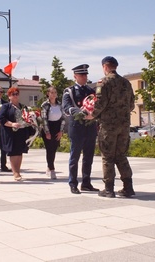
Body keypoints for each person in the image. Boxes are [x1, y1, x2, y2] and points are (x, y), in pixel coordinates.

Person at [90, 56, 135, 198]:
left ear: (105, 67)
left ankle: (109, 189)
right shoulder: (126, 83)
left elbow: (100, 104)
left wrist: (91, 115)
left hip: (109, 126)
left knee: (107, 157)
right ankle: (128, 187)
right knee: (121, 155)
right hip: (124, 126)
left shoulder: (103, 83)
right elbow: (132, 105)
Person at [62, 64, 98, 194]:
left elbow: (96, 105)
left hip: (90, 127)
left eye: (86, 75)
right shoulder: (69, 91)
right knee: (75, 156)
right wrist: (82, 113)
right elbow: (66, 107)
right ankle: (73, 183)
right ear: (75, 76)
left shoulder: (90, 90)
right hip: (77, 127)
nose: (84, 77)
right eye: (82, 75)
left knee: (88, 156)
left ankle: (86, 183)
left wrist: (93, 115)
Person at [0, 87, 31, 181]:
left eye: (17, 94)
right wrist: (12, 124)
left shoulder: (23, 107)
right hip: (10, 133)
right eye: (13, 94)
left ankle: (18, 171)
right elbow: (1, 119)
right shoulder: (6, 106)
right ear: (9, 96)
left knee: (19, 151)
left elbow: (27, 118)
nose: (15, 96)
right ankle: (15, 172)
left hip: (21, 132)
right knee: (13, 152)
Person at [41, 87, 65, 179]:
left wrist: (61, 131)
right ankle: (52, 169)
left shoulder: (59, 104)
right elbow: (44, 119)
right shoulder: (45, 105)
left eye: (55, 92)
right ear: (48, 94)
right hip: (48, 127)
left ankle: (49, 166)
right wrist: (47, 132)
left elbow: (63, 118)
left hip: (57, 127)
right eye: (51, 92)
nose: (54, 94)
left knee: (54, 149)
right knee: (49, 149)